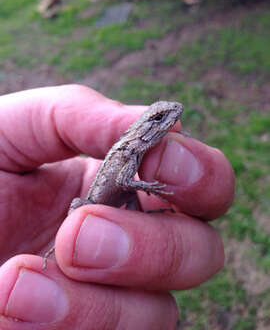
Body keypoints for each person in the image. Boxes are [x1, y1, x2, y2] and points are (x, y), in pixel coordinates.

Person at [0, 85, 235, 329]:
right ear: (144, 130)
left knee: (132, 203)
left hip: (121, 197)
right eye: (158, 118)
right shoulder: (129, 150)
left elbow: (126, 184)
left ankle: (140, 226)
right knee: (81, 209)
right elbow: (123, 179)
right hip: (93, 201)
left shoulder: (138, 148)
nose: (173, 114)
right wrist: (151, 186)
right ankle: (60, 246)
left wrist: (146, 188)